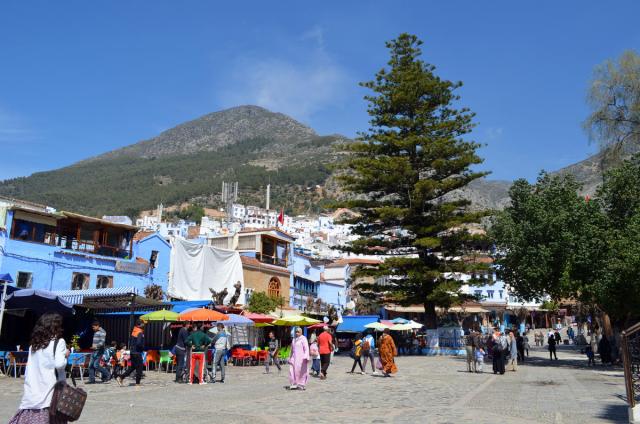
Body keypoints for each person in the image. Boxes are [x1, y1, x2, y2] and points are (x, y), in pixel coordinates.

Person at [9, 313, 69, 424]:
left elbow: (29, 369)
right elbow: (59, 364)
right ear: (55, 326)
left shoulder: (34, 346)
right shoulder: (59, 342)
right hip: (51, 393)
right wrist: (66, 356)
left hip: (32, 393)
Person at [117, 319, 145, 386]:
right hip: (137, 352)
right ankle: (137, 383)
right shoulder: (139, 332)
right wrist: (142, 347)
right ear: (140, 324)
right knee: (140, 368)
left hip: (132, 352)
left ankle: (121, 377)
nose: (144, 325)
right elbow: (138, 343)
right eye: (143, 324)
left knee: (132, 367)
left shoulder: (134, 331)